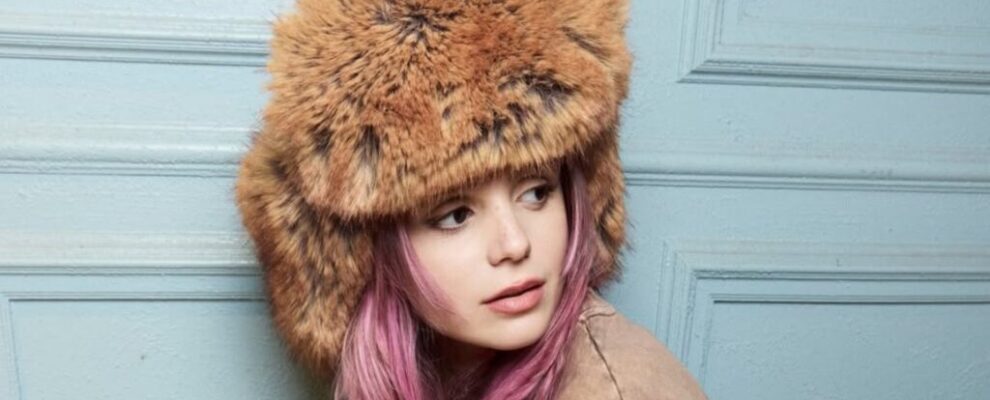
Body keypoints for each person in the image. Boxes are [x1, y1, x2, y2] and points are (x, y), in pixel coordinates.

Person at [235, 0, 708, 399]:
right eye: (456, 215)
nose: (515, 244)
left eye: (536, 192)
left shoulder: (623, 387)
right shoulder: (444, 365)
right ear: (371, 252)